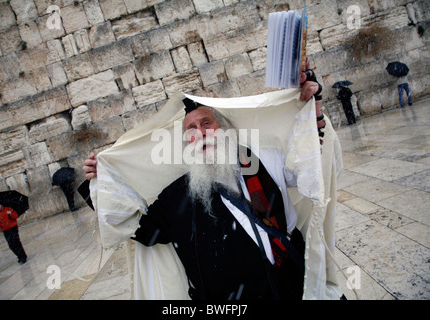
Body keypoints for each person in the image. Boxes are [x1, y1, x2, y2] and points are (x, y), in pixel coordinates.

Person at [83, 69, 326, 299]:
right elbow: (141, 228)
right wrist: (102, 183)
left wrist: (311, 108)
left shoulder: (265, 158)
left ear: (224, 128)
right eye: (192, 129)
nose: (200, 133)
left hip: (297, 283)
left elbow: (309, 167)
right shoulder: (176, 197)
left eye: (206, 123)